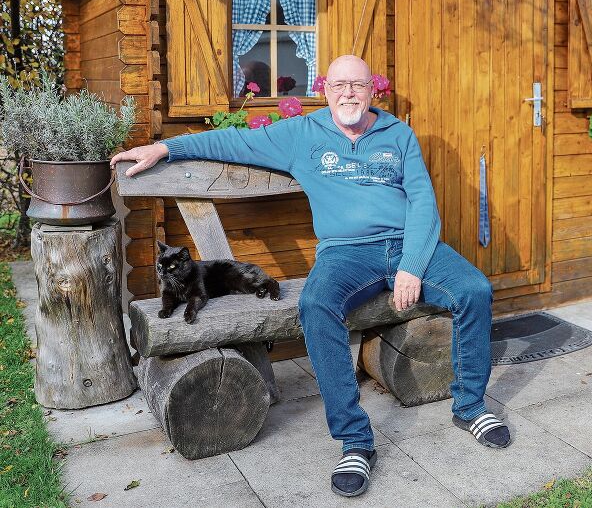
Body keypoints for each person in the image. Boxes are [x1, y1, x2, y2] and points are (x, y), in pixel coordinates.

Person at [111, 54, 510, 498]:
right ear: (325, 90)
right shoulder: (302, 135)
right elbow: (233, 143)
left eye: (357, 85)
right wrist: (166, 148)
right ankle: (355, 441)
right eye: (338, 86)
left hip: (411, 246)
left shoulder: (398, 134)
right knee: (316, 306)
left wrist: (412, 266)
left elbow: (422, 203)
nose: (348, 94)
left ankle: (471, 405)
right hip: (345, 253)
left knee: (474, 289)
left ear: (372, 90)